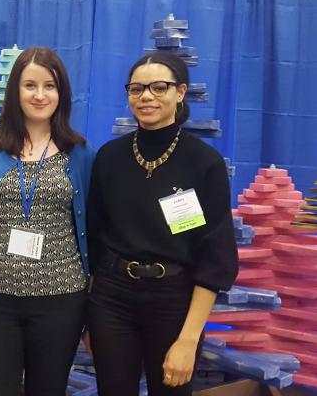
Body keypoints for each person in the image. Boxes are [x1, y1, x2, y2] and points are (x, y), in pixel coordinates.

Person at [86, 50, 238, 396]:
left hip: (174, 301)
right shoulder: (109, 158)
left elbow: (214, 259)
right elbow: (94, 238)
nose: (147, 97)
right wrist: (91, 319)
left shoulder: (204, 163)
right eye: (137, 89)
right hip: (112, 300)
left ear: (180, 92)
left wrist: (189, 339)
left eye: (159, 87)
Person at [0, 46, 95, 396]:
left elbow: (94, 226)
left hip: (62, 300)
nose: (40, 95)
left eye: (49, 86)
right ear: (15, 91)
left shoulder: (80, 152)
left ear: (62, 93)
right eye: (30, 85)